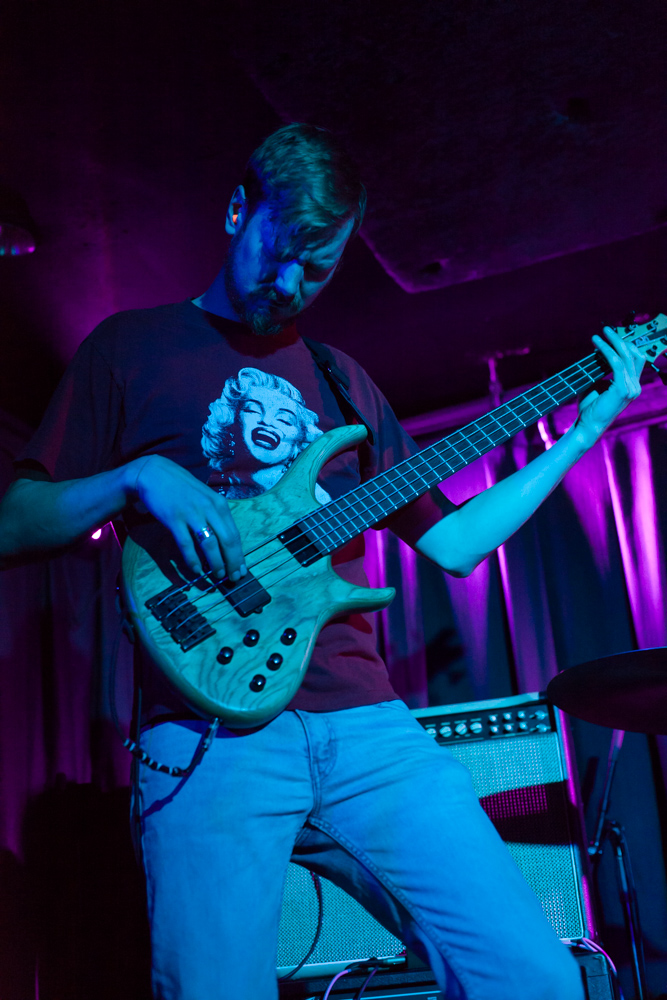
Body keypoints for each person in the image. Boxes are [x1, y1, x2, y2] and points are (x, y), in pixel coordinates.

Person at [0, 123, 643, 1000]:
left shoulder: (345, 382)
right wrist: (137, 478)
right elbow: (16, 523)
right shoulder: (129, 348)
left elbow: (454, 545)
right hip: (208, 733)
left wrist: (584, 433)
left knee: (532, 975)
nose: (293, 285)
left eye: (321, 268)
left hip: (366, 726)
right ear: (238, 211)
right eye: (283, 253)